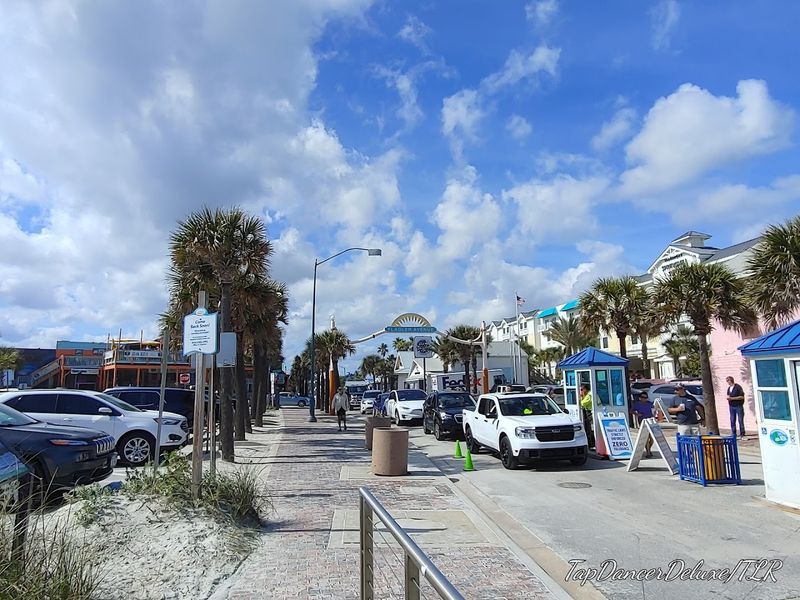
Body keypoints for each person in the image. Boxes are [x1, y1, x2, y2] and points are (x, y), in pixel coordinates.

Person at [632, 391, 654, 457]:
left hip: (650, 420)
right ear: (640, 398)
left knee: (652, 438)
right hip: (642, 421)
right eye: (643, 397)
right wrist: (637, 414)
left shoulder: (649, 404)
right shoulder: (637, 404)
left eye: (646, 397)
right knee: (646, 437)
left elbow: (654, 411)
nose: (644, 399)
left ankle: (649, 449)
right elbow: (631, 410)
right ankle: (648, 452)